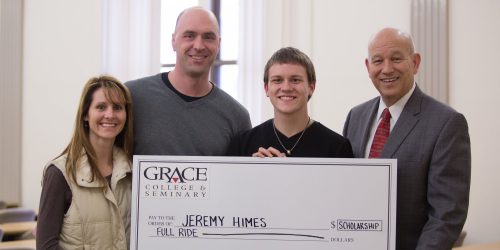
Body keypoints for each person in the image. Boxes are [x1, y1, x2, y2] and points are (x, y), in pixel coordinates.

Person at [343, 27, 471, 249]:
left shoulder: (447, 123)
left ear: (415, 62)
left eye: (396, 58)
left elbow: (446, 215)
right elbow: (343, 189)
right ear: (368, 67)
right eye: (378, 61)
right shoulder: (356, 116)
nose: (386, 69)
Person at [126, 6, 251, 156]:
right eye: (189, 35)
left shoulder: (237, 116)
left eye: (208, 37)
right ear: (173, 41)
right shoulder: (132, 97)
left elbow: (241, 177)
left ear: (219, 44)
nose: (198, 46)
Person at [37, 76, 134, 249]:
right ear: (85, 115)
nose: (110, 114)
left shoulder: (133, 171)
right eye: (101, 107)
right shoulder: (59, 173)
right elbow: (46, 246)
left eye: (118, 107)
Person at [228, 47, 353, 158]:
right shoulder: (242, 145)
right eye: (277, 80)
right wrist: (250, 171)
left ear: (311, 87)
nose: (286, 87)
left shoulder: (337, 148)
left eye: (295, 80)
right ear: (266, 88)